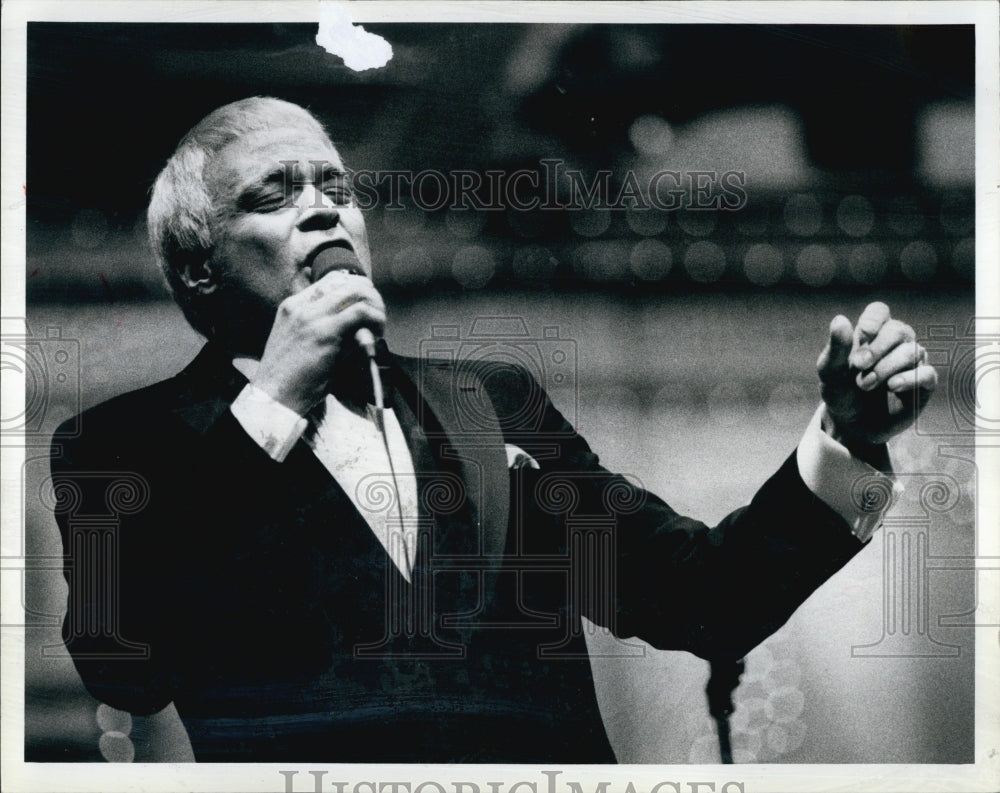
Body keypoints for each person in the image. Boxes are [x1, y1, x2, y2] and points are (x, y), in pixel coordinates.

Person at [50, 97, 937, 763]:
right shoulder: (120, 446)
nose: (323, 210)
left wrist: (851, 447)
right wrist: (274, 401)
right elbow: (126, 669)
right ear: (200, 271)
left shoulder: (493, 402)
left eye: (336, 187)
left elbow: (706, 597)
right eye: (273, 196)